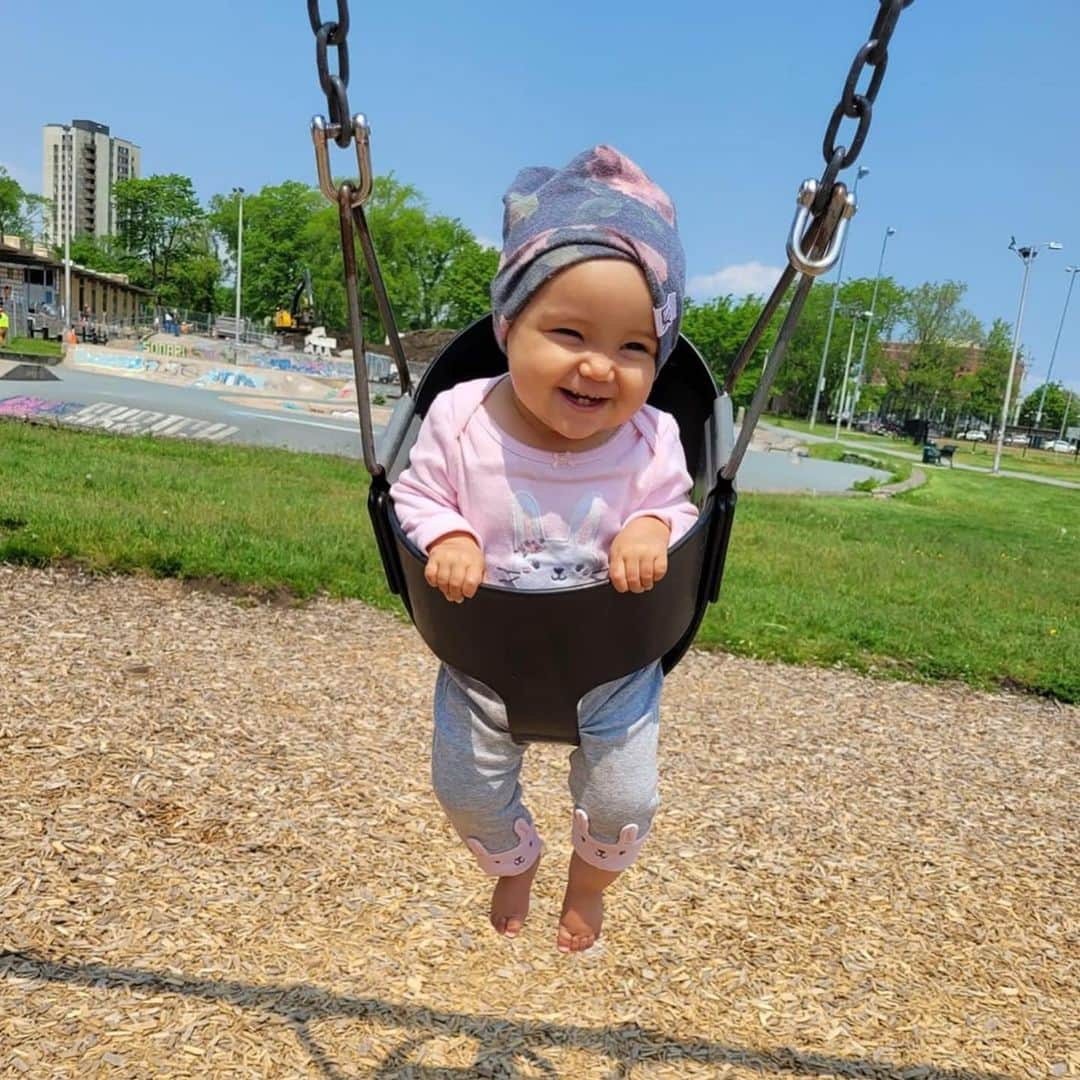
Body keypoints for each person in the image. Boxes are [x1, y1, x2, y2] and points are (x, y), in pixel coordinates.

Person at [391, 146, 697, 954]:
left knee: (627, 797)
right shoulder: (460, 419)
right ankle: (514, 858)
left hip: (613, 659)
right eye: (568, 333)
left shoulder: (651, 435)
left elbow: (679, 506)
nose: (601, 365)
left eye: (635, 348)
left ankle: (589, 883)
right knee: (462, 789)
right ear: (508, 325)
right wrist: (448, 534)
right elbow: (413, 495)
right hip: (482, 653)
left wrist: (649, 528)